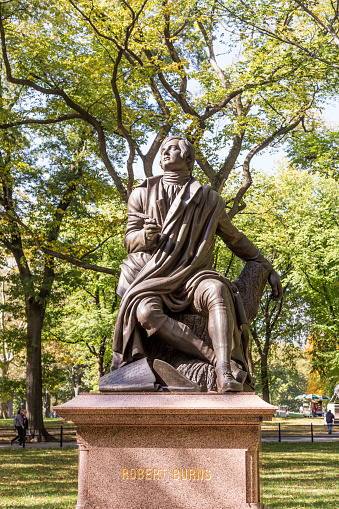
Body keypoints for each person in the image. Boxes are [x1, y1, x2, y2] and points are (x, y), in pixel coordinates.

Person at [112, 136, 283, 392]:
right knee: (145, 313)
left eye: (173, 149)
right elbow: (130, 239)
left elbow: (233, 238)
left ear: (188, 159)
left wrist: (265, 264)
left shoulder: (208, 198)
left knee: (217, 291)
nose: (165, 153)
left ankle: (224, 373)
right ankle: (215, 360)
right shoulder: (141, 193)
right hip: (153, 274)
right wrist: (145, 238)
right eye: (163, 150)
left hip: (193, 275)